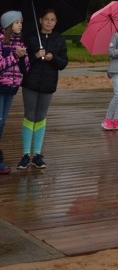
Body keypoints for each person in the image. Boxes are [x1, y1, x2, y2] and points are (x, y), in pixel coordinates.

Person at [18, 9, 69, 170]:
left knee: (40, 117)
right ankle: (26, 154)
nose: (49, 22)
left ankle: (37, 155)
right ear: (40, 20)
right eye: (46, 19)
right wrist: (35, 55)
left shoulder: (59, 40)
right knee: (29, 115)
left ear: (55, 22)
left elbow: (63, 64)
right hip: (30, 83)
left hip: (48, 84)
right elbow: (23, 62)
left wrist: (53, 58)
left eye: (52, 19)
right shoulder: (32, 38)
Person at [0, 11, 30, 174]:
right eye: (17, 22)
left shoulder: (20, 42)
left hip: (11, 89)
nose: (20, 24)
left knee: (2, 122)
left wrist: (23, 56)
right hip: (0, 87)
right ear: (8, 25)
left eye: (21, 22)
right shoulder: (0, 42)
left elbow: (25, 69)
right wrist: (14, 55)